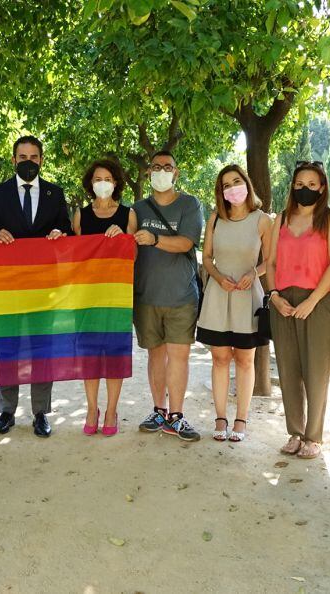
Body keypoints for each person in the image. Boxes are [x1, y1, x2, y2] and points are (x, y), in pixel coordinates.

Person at [0, 135, 73, 437]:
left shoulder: (56, 194)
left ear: (41, 160)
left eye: (34, 157)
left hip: (45, 288)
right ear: (13, 160)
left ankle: (41, 413)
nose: (28, 162)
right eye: (22, 157)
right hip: (5, 286)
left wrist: (61, 232)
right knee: (7, 350)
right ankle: (6, 411)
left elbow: (68, 232)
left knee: (41, 351)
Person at [264, 161, 330, 460]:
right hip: (283, 301)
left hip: (319, 301)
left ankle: (314, 436)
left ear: (322, 188)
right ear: (292, 186)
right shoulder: (281, 219)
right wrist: (274, 296)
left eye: (312, 185)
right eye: (300, 184)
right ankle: (295, 432)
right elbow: (270, 262)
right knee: (288, 368)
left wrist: (312, 301)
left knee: (316, 371)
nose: (305, 189)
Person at [131, 150, 205, 442]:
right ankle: (159, 411)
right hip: (146, 295)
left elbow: (187, 241)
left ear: (176, 173)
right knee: (155, 355)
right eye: (156, 166)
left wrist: (155, 239)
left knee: (179, 356)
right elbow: (126, 244)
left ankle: (177, 416)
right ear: (148, 173)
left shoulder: (190, 204)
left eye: (168, 166)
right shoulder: (137, 209)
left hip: (181, 296)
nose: (162, 170)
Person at [198, 165, 271, 443]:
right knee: (219, 359)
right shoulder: (215, 219)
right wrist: (217, 276)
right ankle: (220, 416)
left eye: (236, 181)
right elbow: (206, 258)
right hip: (218, 295)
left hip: (247, 295)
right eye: (226, 184)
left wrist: (254, 274)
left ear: (247, 183)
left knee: (244, 359)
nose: (232, 188)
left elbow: (270, 261)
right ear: (221, 191)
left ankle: (241, 418)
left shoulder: (262, 220)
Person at [72, 158, 138, 436]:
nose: (103, 183)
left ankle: (111, 410)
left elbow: (133, 255)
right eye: (98, 179)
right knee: (89, 356)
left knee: (114, 354)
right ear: (91, 184)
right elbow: (74, 256)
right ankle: (91, 408)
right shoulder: (80, 215)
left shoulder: (128, 214)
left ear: (116, 183)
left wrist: (123, 238)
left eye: (108, 179)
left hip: (116, 297)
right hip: (86, 296)